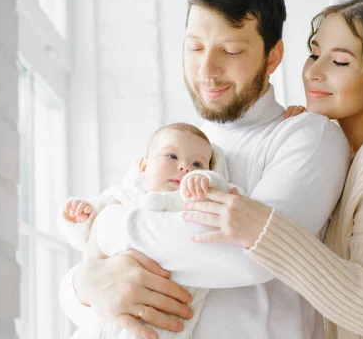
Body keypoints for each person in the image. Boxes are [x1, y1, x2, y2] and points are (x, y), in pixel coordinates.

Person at [59, 0, 350, 339]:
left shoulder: (307, 136)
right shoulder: (178, 145)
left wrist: (110, 226)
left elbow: (250, 255)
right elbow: (95, 277)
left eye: (230, 50)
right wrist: (83, 284)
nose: (206, 70)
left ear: (273, 57)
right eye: (195, 47)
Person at [182, 0, 363, 338]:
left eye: (339, 61)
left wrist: (264, 228)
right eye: (314, 54)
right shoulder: (351, 153)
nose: (313, 72)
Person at [58, 123, 245, 339]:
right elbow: (86, 237)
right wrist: (81, 217)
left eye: (197, 163)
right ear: (144, 166)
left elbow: (231, 199)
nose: (185, 167)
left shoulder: (192, 200)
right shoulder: (124, 195)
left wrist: (207, 182)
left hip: (161, 322)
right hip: (104, 317)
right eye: (172, 156)